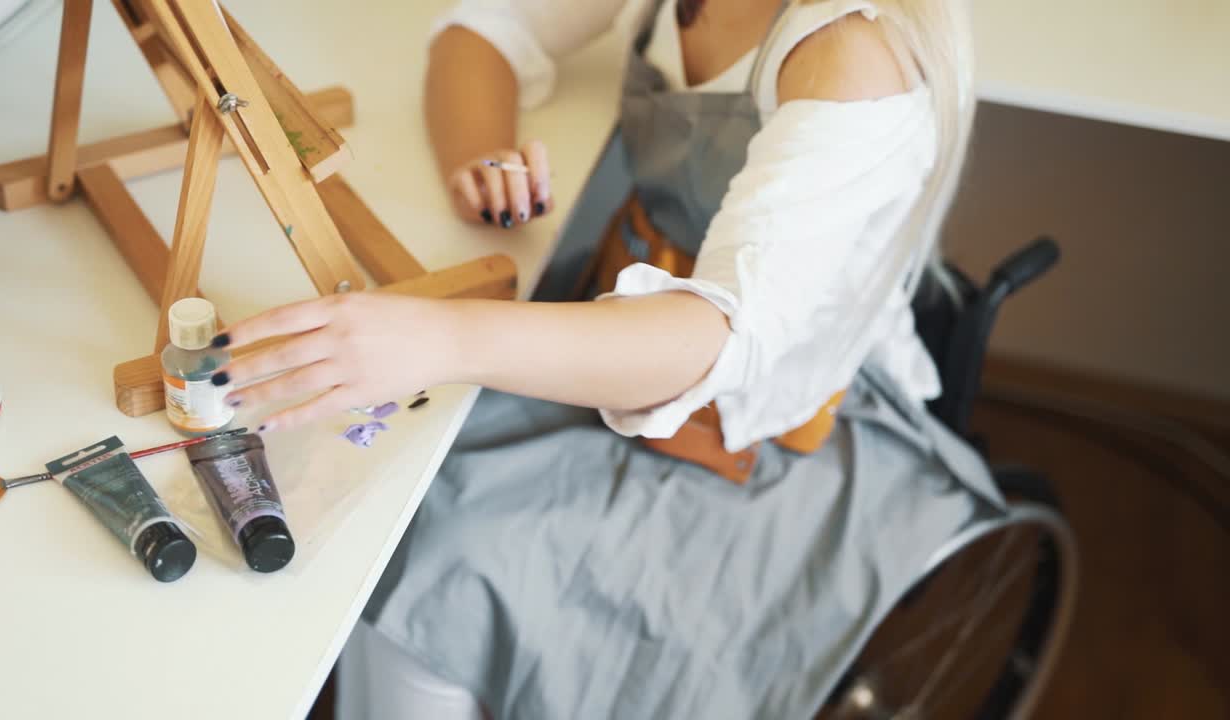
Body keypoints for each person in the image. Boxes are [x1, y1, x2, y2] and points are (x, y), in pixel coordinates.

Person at [212, 0, 1004, 717]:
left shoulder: (851, 57)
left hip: (747, 414)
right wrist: (482, 162)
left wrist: (440, 340)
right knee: (373, 481)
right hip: (635, 319)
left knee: (432, 560)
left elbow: (723, 335)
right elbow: (485, 26)